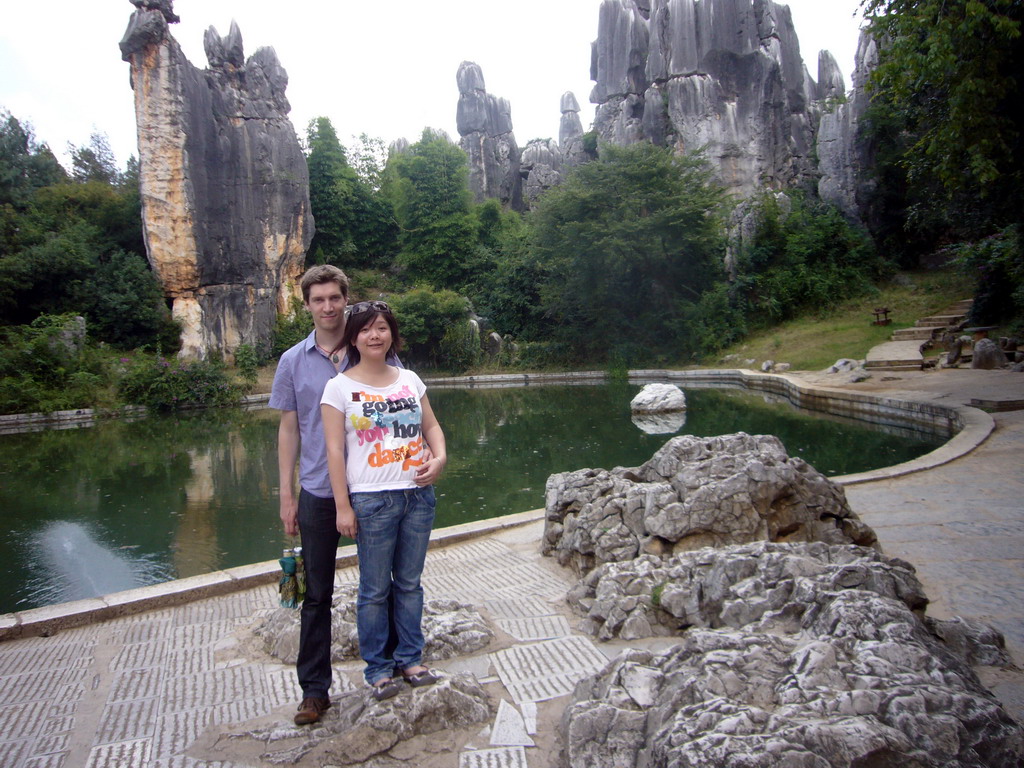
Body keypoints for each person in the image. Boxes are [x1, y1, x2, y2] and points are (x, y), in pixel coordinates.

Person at [270, 265, 412, 725]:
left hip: (376, 486)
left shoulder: (372, 350)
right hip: (317, 489)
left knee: (385, 583)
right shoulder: (293, 360)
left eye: (335, 298)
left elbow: (406, 409)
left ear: (345, 301)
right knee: (317, 594)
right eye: (318, 300)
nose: (328, 307)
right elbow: (289, 428)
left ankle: (391, 665)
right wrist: (286, 495)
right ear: (307, 305)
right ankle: (314, 690)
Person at [320, 300, 447, 700]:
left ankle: (410, 658)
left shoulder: (409, 379)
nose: (374, 336)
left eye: (381, 328)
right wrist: (343, 505)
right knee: (374, 589)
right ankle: (378, 668)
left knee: (409, 584)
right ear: (353, 338)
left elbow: (432, 426)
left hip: (417, 496)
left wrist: (440, 459)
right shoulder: (339, 387)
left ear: (391, 332)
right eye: (365, 330)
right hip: (372, 502)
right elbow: (335, 452)